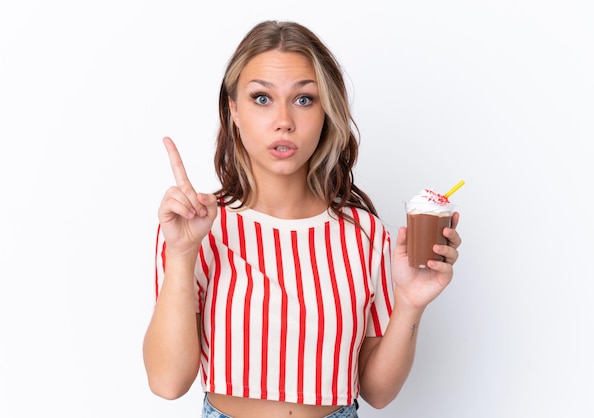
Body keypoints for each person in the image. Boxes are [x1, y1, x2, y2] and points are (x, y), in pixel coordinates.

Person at [143, 20, 462, 418]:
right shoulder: (196, 227)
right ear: (234, 111)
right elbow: (167, 382)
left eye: (304, 99)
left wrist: (411, 304)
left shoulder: (364, 235)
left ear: (327, 111)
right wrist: (182, 252)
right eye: (261, 98)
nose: (284, 121)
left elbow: (378, 393)